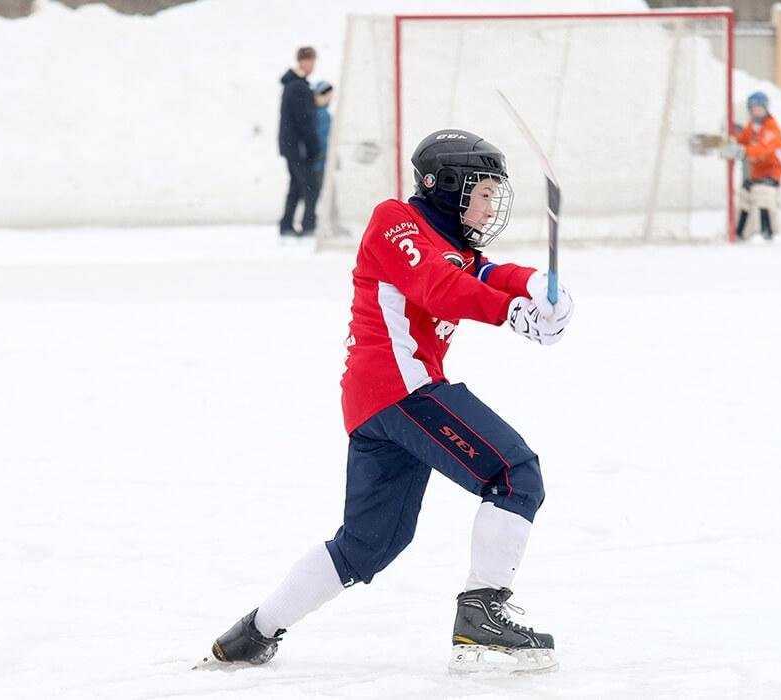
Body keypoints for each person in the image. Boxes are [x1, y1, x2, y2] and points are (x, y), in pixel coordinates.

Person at [200, 129, 574, 674]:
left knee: (370, 545)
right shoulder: (394, 221)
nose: (492, 204)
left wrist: (538, 287)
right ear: (443, 185)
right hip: (401, 389)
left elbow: (487, 273)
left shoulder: (456, 246)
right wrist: (512, 314)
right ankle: (481, 614)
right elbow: (437, 287)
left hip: (380, 404)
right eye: (484, 191)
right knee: (515, 475)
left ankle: (252, 634)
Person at [722, 91, 781, 240]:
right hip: (759, 171)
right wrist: (729, 141)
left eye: (760, 108)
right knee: (745, 194)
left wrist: (740, 151)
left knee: (762, 193)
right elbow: (742, 140)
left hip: (777, 170)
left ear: (766, 109)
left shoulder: (772, 128)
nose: (756, 111)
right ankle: (740, 233)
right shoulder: (752, 127)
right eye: (753, 108)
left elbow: (761, 150)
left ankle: (768, 231)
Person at [278, 46, 322, 237]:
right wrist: (312, 146)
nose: (311, 65)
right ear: (302, 61)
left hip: (292, 147)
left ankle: (287, 225)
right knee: (310, 186)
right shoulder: (298, 87)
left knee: (296, 186)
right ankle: (308, 226)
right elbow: (304, 121)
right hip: (298, 148)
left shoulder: (296, 85)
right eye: (309, 61)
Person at [312, 80, 333, 195]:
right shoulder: (321, 114)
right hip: (318, 160)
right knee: (315, 192)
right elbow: (320, 138)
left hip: (321, 160)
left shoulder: (323, 113)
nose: (329, 98)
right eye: (326, 95)